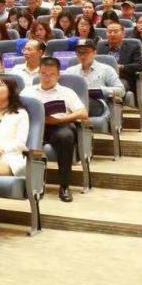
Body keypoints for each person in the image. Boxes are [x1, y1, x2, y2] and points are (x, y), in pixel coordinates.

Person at [23, 57, 87, 202]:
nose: (47, 78)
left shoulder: (67, 92)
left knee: (66, 136)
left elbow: (83, 113)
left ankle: (64, 186)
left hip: (58, 126)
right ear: (39, 73)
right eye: (44, 74)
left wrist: (61, 119)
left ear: (58, 75)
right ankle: (30, 185)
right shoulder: (28, 92)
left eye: (51, 74)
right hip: (33, 127)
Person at [0, 75, 30, 176]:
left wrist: (2, 149)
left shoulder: (20, 114)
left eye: (0, 85)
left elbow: (20, 143)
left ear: (10, 90)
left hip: (11, 157)